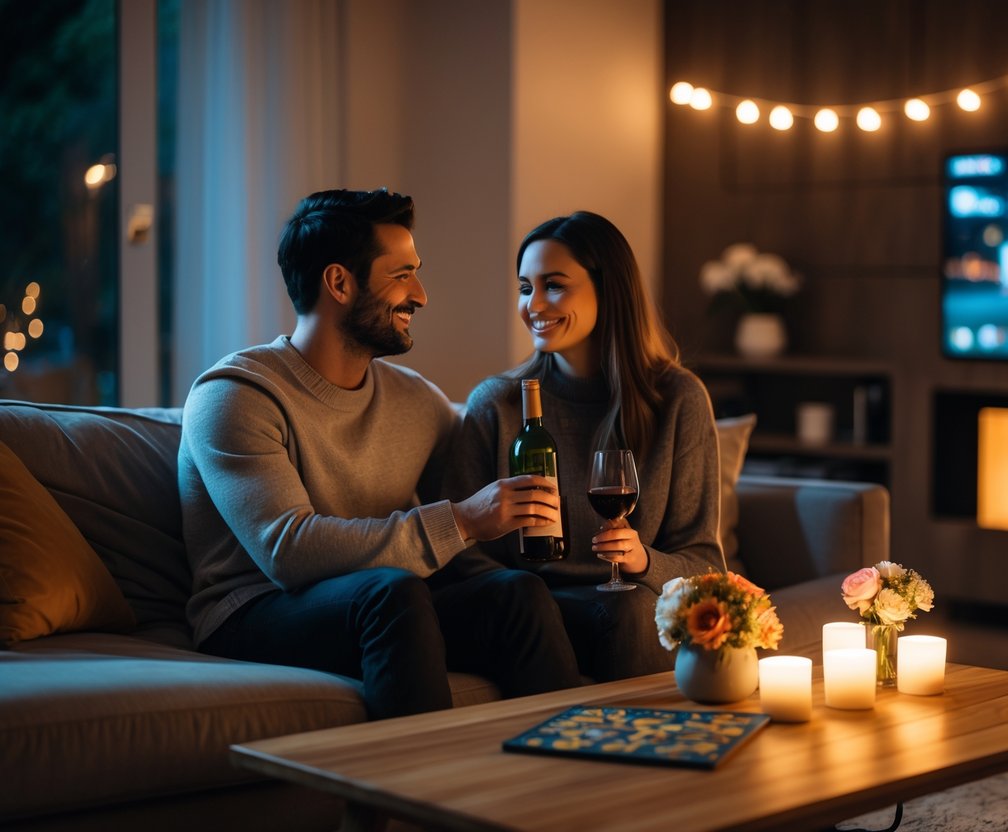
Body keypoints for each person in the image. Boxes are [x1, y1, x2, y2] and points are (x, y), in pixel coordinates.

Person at [179, 188, 582, 720]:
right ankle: (415, 799)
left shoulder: (416, 401)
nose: (421, 295)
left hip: (386, 603)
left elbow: (479, 495)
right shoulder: (234, 395)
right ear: (339, 283)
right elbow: (287, 551)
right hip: (253, 611)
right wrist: (460, 521)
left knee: (517, 595)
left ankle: (567, 775)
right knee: (393, 594)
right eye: (402, 275)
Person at [439, 211, 723, 681]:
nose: (533, 305)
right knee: (544, 605)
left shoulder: (678, 400)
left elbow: (705, 562)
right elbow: (460, 548)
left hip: (621, 605)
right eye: (525, 288)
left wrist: (642, 559)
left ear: (608, 290)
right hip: (525, 608)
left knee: (628, 611)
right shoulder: (498, 404)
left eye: (553, 285)